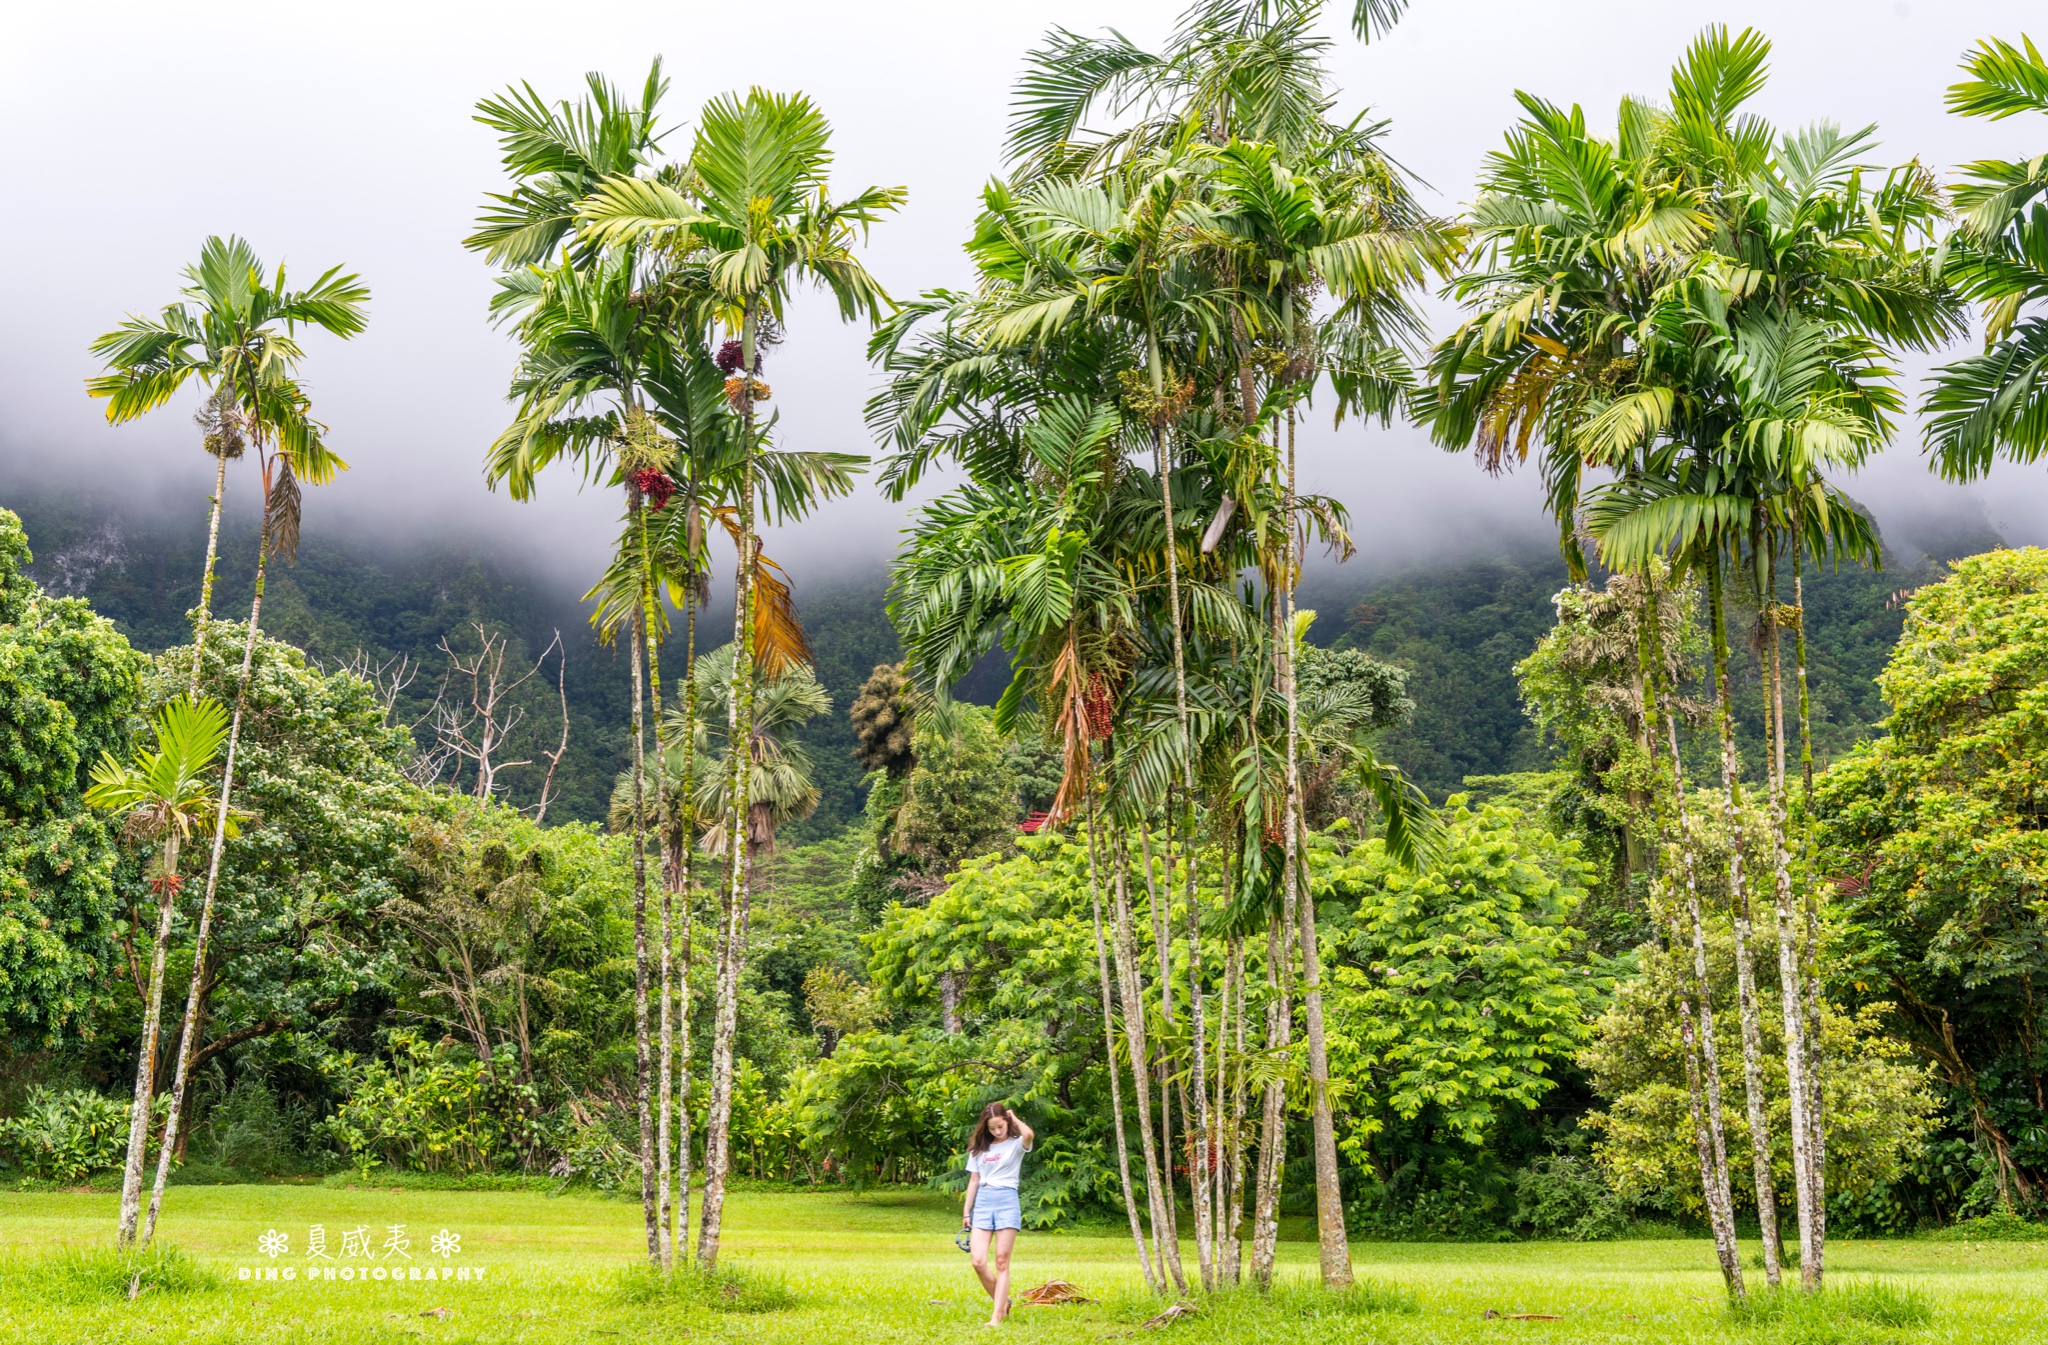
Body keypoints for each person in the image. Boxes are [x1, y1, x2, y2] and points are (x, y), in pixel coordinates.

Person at [961, 1101, 1034, 1325]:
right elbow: (974, 1180)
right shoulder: (979, 1149)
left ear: (1007, 1122)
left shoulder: (1016, 1143)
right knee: (978, 1261)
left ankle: (997, 1315)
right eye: (992, 1128)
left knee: (1002, 1261)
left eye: (1000, 1126)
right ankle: (1003, 1303)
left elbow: (1029, 1134)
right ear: (985, 1127)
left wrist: (1015, 1118)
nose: (997, 1131)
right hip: (983, 1201)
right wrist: (966, 1213)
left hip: (1007, 1200)